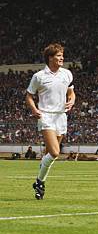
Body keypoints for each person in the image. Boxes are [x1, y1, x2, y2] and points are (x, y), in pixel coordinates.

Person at [26, 43, 76, 200]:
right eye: (58, 55)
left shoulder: (67, 74)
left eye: (62, 55)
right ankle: (40, 182)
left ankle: (39, 181)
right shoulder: (39, 76)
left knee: (50, 155)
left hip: (61, 116)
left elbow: (71, 92)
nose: (62, 58)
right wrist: (34, 109)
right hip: (46, 116)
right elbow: (28, 95)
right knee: (55, 152)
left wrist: (71, 100)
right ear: (50, 58)